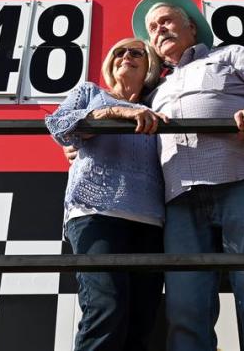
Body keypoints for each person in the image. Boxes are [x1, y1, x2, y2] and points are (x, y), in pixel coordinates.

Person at [131, 0, 244, 351]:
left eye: (165, 20)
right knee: (184, 306)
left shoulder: (232, 56)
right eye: (152, 27)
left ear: (192, 27)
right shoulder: (153, 90)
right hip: (179, 200)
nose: (159, 29)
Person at [45, 37, 169, 351]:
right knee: (106, 308)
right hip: (95, 211)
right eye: (119, 51)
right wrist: (113, 112)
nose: (126, 55)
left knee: (141, 319)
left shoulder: (160, 104)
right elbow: (59, 125)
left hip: (151, 220)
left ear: (150, 66)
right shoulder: (91, 93)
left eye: (136, 52)